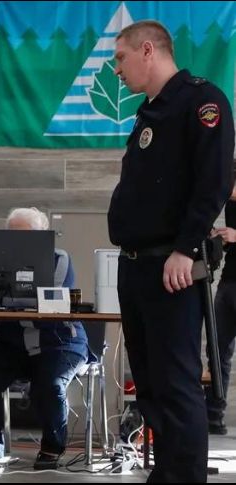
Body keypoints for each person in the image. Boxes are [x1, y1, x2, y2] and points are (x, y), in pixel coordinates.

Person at [108, 20, 234, 482]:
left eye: (120, 58)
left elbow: (213, 182)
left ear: (147, 50)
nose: (116, 69)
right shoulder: (151, 111)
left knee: (178, 386)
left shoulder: (201, 102)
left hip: (173, 265)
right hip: (137, 265)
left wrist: (185, 249)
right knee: (152, 387)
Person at [0, 207, 89, 470]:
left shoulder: (59, 259)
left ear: (44, 236)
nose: (18, 242)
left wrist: (1, 300)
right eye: (13, 235)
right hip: (13, 342)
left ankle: (52, 447)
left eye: (27, 235)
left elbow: (49, 300)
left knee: (49, 385)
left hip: (60, 342)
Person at [206, 184, 236, 435]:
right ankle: (213, 417)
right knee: (217, 351)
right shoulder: (232, 202)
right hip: (228, 282)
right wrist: (221, 238)